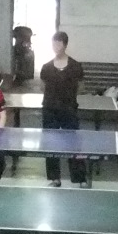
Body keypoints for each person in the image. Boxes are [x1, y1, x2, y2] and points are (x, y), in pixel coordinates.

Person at [40, 31, 88, 186]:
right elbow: (42, 87)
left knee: (74, 144)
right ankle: (55, 178)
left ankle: (80, 178)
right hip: (50, 110)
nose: (56, 46)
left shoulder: (75, 66)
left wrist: (67, 97)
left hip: (69, 109)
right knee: (51, 144)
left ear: (65, 45)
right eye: (54, 43)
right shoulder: (46, 67)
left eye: (59, 43)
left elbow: (81, 87)